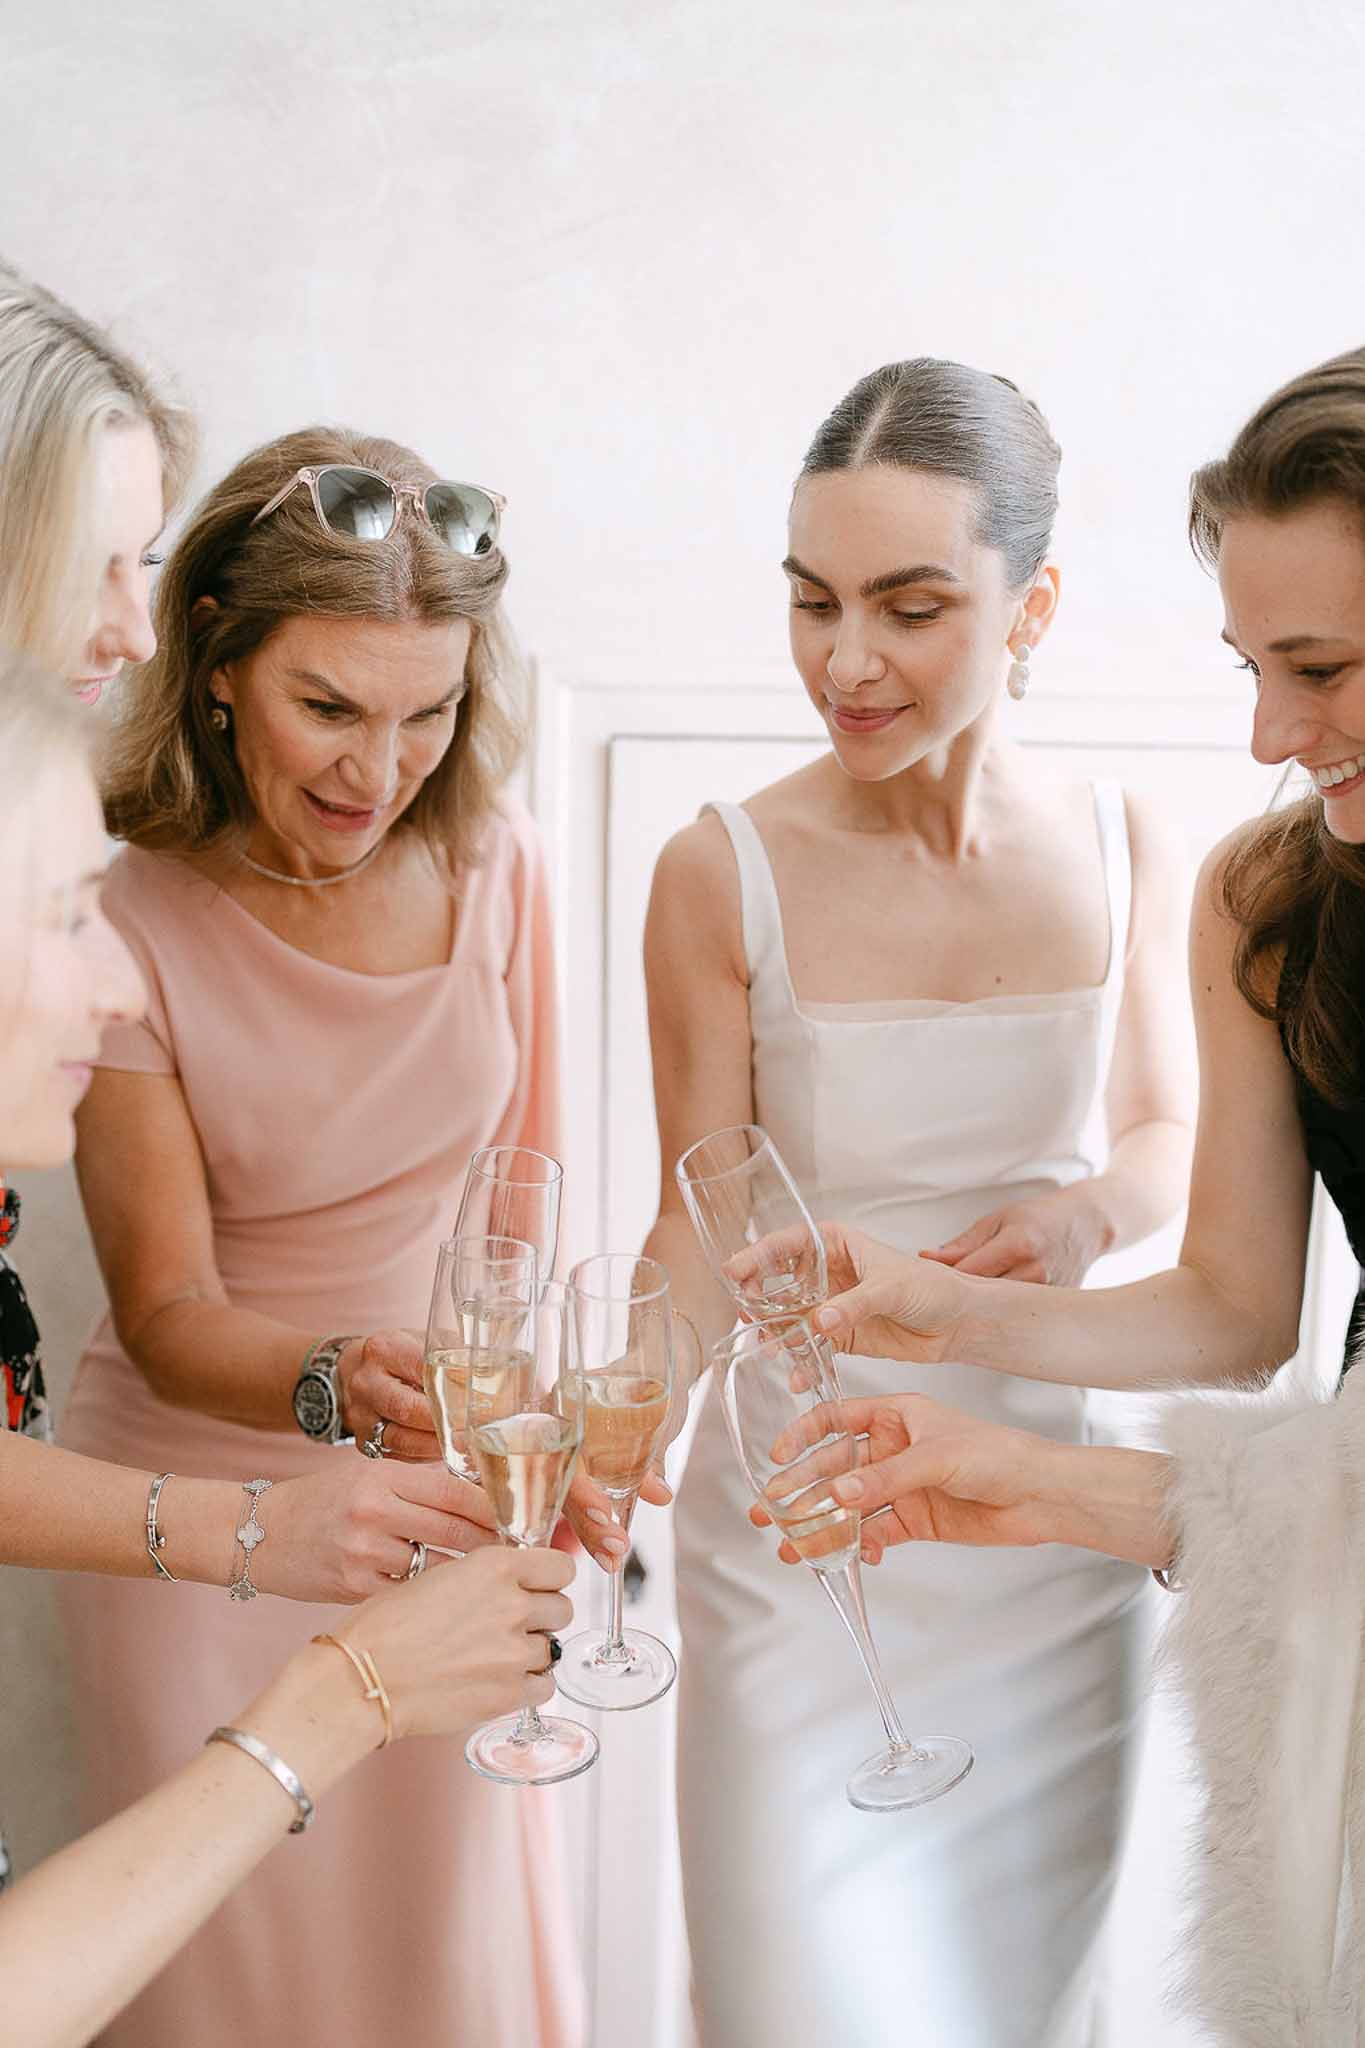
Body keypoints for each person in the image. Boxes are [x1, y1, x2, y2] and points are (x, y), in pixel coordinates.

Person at [742, 344, 1365, 2040]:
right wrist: (948, 1309)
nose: (1266, 733)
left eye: (1318, 666)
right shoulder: (1268, 901)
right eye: (1249, 663)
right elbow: (1238, 1315)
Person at [643, 357, 1196, 2046]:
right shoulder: (716, 867)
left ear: (1030, 606)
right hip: (800, 1550)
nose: (844, 662)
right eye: (811, 603)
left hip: (1041, 1531)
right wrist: (614, 1440)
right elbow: (699, 1225)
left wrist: (1087, 1216)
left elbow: (1167, 1128)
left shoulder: (1118, 840)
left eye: (907, 605)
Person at [60, 425, 584, 2047]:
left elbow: (534, 1211)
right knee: (235, 1983)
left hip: (437, 1491)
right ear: (215, 661)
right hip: (192, 1522)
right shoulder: (115, 908)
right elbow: (165, 1310)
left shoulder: (501, 871)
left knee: (448, 1969)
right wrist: (340, 1380)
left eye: (427, 712)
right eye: (330, 709)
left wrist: (546, 1455)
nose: (382, 769)